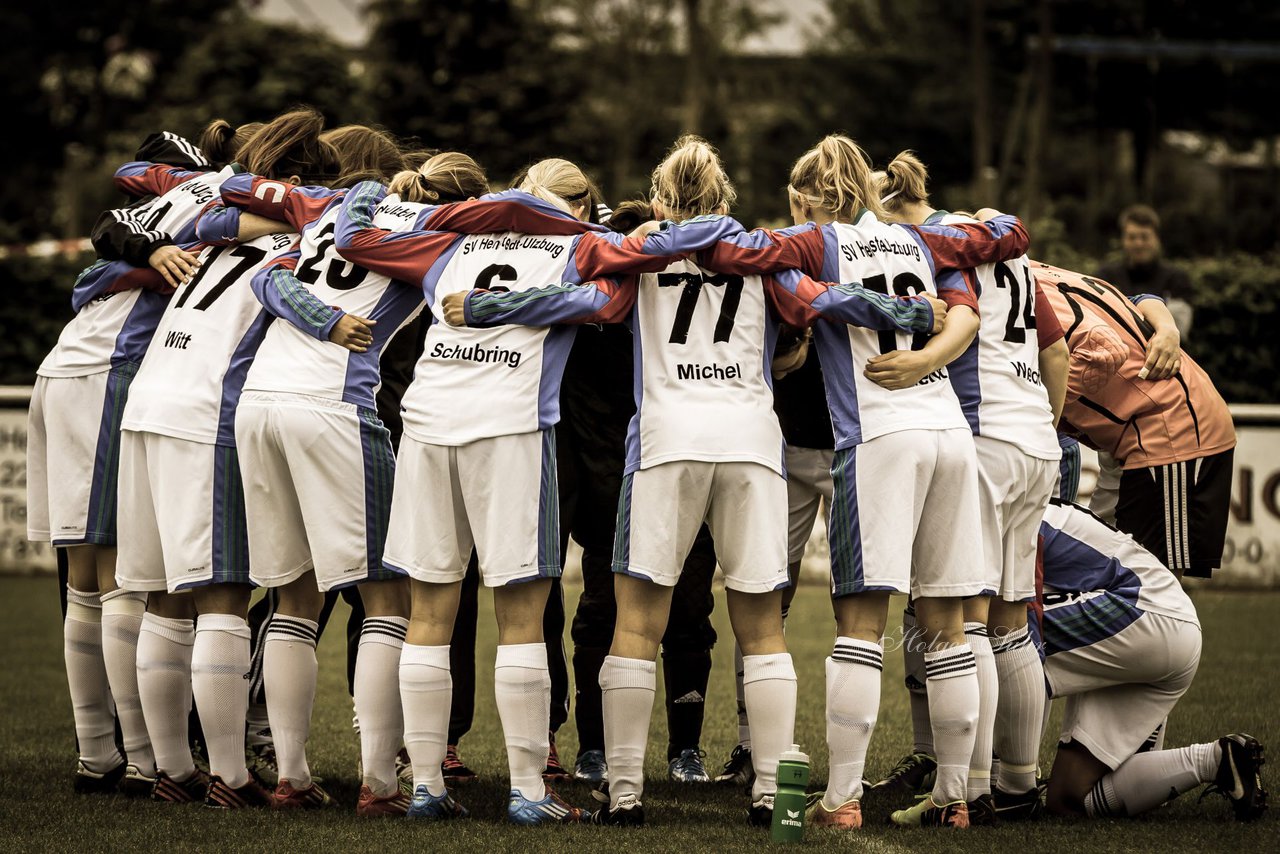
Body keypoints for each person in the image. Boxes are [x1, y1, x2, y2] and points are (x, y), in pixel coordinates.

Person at [442, 135, 950, 828]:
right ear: (725, 200)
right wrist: (914, 314)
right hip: (749, 447)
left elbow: (587, 305)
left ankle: (623, 792)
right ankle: (771, 790)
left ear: (660, 199)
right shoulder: (763, 256)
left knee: (637, 625)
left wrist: (482, 308)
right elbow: (815, 310)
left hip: (666, 442)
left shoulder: (639, 254)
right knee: (762, 629)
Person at [333, 157, 693, 825]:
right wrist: (538, 303)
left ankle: (426, 787)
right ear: (583, 206)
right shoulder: (583, 243)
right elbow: (612, 302)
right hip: (512, 428)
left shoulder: (455, 240)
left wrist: (372, 197)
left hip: (428, 423)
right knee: (522, 615)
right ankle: (529, 790)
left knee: (430, 615)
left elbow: (355, 240)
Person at [688, 134, 1031, 829]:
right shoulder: (922, 241)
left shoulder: (813, 241)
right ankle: (955, 798)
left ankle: (841, 799)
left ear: (805, 195)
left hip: (878, 438)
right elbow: (1002, 244)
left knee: (860, 625)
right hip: (950, 438)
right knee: (947, 628)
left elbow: (726, 253)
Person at [216, 138, 458, 814]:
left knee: (295, 596)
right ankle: (381, 783)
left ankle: (291, 775)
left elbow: (268, 278)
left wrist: (317, 315)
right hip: (333, 406)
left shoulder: (330, 215)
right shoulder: (434, 234)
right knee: (388, 597)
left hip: (259, 404)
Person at [113, 108, 343, 808]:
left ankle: (172, 772)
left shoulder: (211, 217)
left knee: (161, 596)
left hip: (148, 402)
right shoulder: (301, 236)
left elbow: (142, 203)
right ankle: (231, 778)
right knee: (223, 597)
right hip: (206, 413)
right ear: (299, 185)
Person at [27, 125, 225, 797]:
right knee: (116, 575)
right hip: (108, 374)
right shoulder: (206, 197)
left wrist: (144, 250)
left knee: (86, 578)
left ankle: (100, 754)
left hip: (67, 369)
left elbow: (108, 234)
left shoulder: (147, 209)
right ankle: (141, 759)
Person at [870, 151, 1069, 822]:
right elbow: (1057, 347)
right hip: (1036, 438)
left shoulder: (930, 244)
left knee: (969, 621)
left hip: (982, 438)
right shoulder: (996, 245)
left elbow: (957, 319)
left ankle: (967, 792)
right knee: (1014, 623)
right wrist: (1045, 427)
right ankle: (1017, 784)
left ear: (892, 209)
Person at [1036, 499, 1267, 823]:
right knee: (1067, 798)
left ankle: (999, 785)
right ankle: (1217, 759)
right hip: (1167, 623)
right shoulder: (1013, 492)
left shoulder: (1004, 507)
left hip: (1143, 613)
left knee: (1007, 644)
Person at [1033, 263, 1236, 579]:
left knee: (1152, 581)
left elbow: (1101, 348)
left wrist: (1040, 417)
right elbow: (1141, 298)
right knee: (1095, 565)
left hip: (1168, 430)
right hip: (1131, 437)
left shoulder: (1018, 289)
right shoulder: (1039, 272)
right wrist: (1167, 327)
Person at [715, 322, 833, 789]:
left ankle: (860, 767)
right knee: (762, 597)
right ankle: (752, 744)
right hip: (782, 443)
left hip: (857, 441)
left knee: (861, 607)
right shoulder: (789, 252)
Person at [1096, 204, 1194, 334]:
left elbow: (1178, 329)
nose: (1138, 244)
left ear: (1157, 238)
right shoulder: (1105, 277)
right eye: (1132, 237)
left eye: (1144, 237)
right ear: (1123, 239)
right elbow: (1097, 321)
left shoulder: (1177, 278)